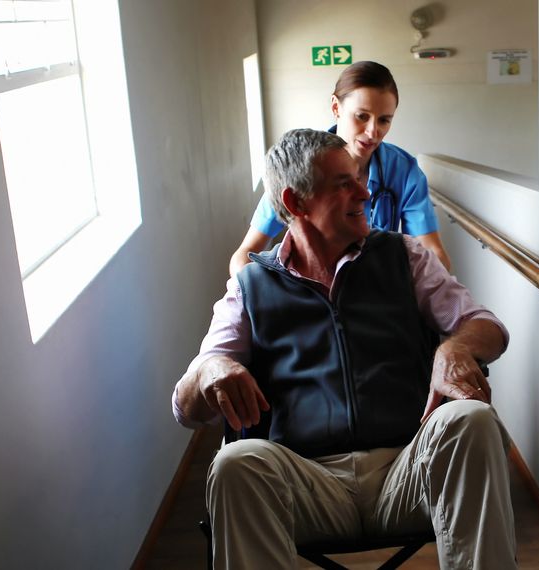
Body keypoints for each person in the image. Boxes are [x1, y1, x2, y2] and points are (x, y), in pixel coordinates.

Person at [174, 128, 517, 568]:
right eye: (344, 184)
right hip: (307, 485)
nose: (365, 190)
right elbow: (186, 409)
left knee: (472, 419)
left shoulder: (403, 255)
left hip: (408, 471)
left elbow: (487, 326)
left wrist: (455, 349)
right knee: (234, 463)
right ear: (297, 203)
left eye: (359, 177)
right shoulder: (250, 287)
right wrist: (210, 370)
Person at [228, 60, 452, 277]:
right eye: (362, 116)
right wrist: (256, 298)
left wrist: (434, 294)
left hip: (379, 294)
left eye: (384, 120)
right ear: (336, 107)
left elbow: (432, 252)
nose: (373, 132)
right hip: (315, 295)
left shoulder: (403, 170)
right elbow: (244, 256)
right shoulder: (298, 165)